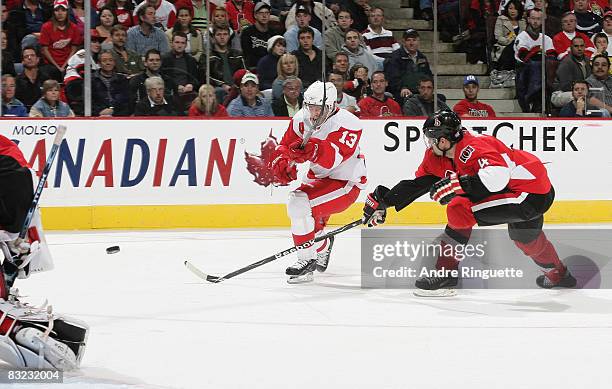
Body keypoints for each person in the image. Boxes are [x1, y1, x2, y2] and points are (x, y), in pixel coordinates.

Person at [362, 109, 576, 290]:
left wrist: (458, 185)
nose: (429, 143)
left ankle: (445, 273)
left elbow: (497, 178)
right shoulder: (437, 156)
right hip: (522, 189)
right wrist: (385, 201)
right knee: (526, 239)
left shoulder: (473, 147)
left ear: (443, 141)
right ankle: (559, 273)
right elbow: (419, 183)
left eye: (432, 139)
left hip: (530, 194)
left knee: (459, 208)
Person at [270, 80, 367, 283]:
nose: (313, 113)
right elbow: (284, 146)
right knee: (309, 224)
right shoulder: (300, 120)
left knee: (298, 203)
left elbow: (333, 158)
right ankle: (321, 246)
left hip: (345, 183)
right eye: (310, 107)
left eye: (318, 108)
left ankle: (306, 261)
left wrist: (312, 149)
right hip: (319, 179)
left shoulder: (349, 123)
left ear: (331, 106)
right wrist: (283, 163)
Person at [385, 28, 433, 104]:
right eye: (408, 40)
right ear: (403, 42)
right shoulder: (395, 57)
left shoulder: (422, 57)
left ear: (418, 41)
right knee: (407, 99)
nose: (411, 43)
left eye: (414, 40)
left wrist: (427, 89)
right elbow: (392, 78)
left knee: (440, 98)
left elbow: (428, 76)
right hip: (402, 92)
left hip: (420, 91)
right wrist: (402, 88)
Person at [39, 0, 82, 77]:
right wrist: (58, 67)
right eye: (56, 10)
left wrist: (64, 66)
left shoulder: (74, 28)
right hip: (50, 64)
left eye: (63, 10)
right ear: (53, 12)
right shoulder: (46, 27)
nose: (60, 13)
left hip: (69, 64)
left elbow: (73, 49)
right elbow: (44, 50)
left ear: (67, 12)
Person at [92, 50, 131, 116]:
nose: (108, 63)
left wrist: (113, 110)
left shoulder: (122, 79)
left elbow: (126, 100)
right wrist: (99, 111)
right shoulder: (91, 80)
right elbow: (87, 101)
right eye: (104, 60)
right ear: (99, 63)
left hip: (119, 116)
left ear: (114, 62)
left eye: (111, 60)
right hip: (97, 116)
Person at [240, 2, 277, 70]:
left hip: (272, 68)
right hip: (254, 69)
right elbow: (248, 56)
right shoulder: (247, 33)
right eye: (261, 13)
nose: (264, 16)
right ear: (255, 15)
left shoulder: (274, 33)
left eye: (267, 13)